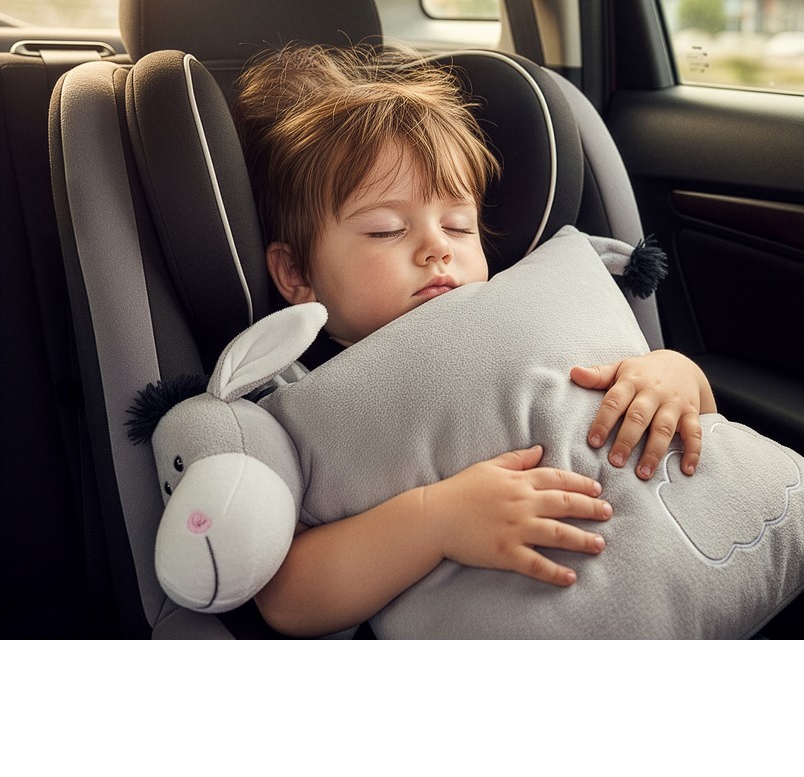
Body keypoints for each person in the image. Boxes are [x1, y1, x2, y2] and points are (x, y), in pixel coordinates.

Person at [231, 43, 717, 637]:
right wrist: (435, 521)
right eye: (386, 230)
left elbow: (699, 421)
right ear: (295, 273)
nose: (438, 247)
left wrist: (671, 373)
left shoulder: (540, 315)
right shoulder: (296, 393)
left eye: (458, 225)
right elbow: (284, 597)